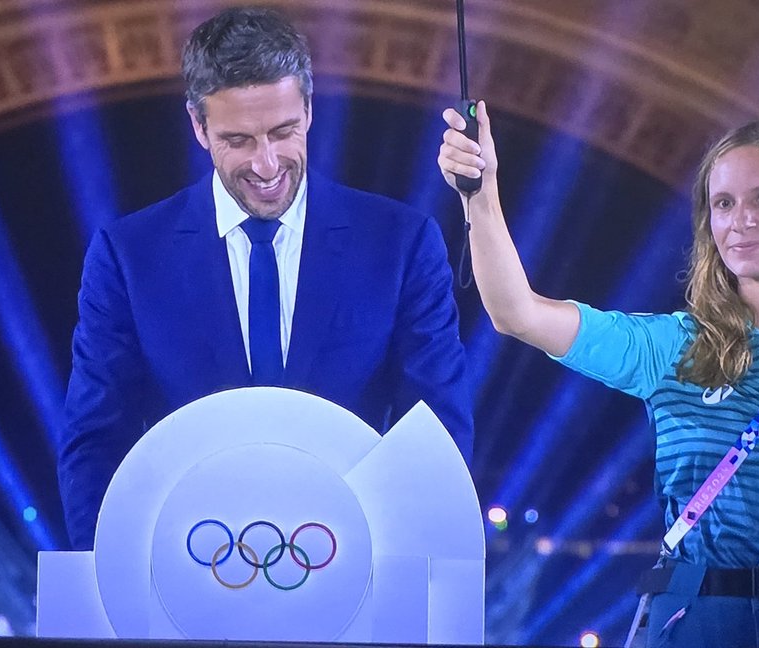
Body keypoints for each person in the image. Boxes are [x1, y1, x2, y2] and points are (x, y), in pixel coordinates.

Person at [437, 103, 759, 647]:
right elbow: (518, 313)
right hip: (695, 620)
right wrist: (482, 194)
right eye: (724, 204)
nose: (743, 221)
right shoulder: (673, 345)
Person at [58, 7, 472, 551]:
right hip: (186, 570)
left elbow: (435, 436)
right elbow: (95, 441)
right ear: (199, 127)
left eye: (283, 132)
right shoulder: (128, 256)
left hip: (357, 567)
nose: (267, 163)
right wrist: (114, 579)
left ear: (308, 108)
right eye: (239, 140)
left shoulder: (401, 243)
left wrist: (405, 575)